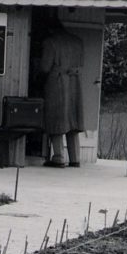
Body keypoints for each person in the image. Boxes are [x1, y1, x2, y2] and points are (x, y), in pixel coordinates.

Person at [40, 18, 85, 168]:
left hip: (57, 83)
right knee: (73, 122)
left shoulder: (50, 42)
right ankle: (75, 158)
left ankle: (58, 157)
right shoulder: (77, 41)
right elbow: (81, 64)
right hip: (75, 84)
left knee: (56, 119)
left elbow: (45, 67)